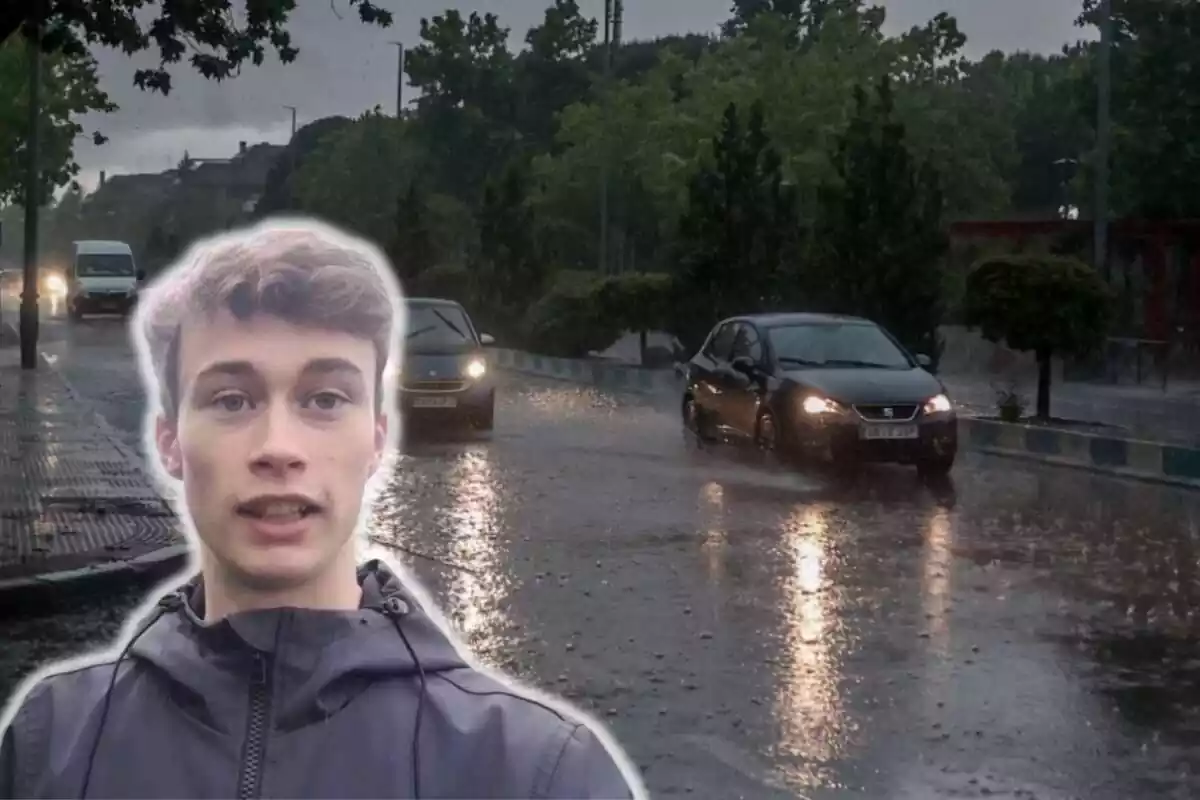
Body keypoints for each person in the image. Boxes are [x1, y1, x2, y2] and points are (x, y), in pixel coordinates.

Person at [0, 219, 644, 799]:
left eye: (325, 399)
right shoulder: (51, 746)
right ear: (169, 441)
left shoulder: (536, 773)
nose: (278, 449)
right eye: (231, 400)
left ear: (376, 440)